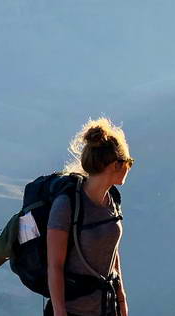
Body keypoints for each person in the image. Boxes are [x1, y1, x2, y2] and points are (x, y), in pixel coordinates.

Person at [44, 118, 133, 316]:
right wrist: (60, 313)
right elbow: (55, 266)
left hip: (107, 308)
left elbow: (111, 252)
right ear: (114, 165)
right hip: (74, 310)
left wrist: (121, 299)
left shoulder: (112, 200)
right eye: (129, 162)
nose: (130, 166)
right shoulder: (67, 205)